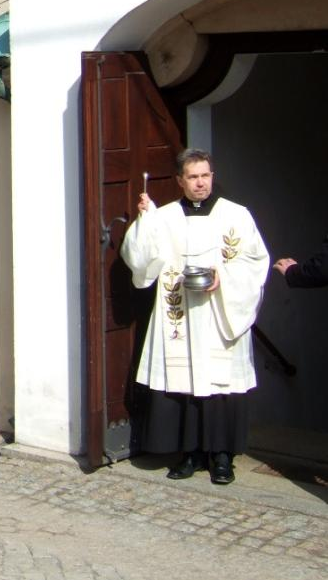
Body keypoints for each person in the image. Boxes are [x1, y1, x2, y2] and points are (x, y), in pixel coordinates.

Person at [120, 148, 269, 485]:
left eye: (205, 176)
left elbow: (256, 262)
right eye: (193, 177)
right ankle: (189, 454)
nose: (200, 183)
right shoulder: (168, 216)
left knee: (220, 386)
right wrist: (146, 221)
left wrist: (223, 278)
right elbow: (141, 259)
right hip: (180, 315)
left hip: (220, 314)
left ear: (212, 177)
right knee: (184, 383)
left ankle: (221, 458)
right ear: (180, 181)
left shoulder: (237, 215)